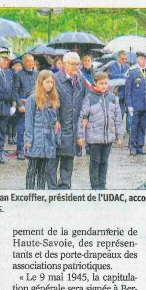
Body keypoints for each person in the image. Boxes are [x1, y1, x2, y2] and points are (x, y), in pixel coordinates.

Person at [77, 72, 124, 189]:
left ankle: (102, 185)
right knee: (94, 162)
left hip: (108, 137)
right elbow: (82, 117)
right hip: (94, 137)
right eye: (101, 83)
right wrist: (80, 135)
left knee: (104, 162)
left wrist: (119, 135)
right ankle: (95, 185)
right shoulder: (89, 98)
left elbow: (118, 117)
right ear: (95, 83)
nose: (104, 86)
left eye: (106, 83)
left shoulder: (113, 98)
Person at [48, 51, 86, 189]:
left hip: (73, 124)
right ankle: (51, 187)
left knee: (68, 157)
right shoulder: (54, 79)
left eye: (78, 64)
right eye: (74, 64)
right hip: (58, 123)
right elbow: (49, 102)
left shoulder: (81, 79)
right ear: (64, 64)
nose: (77, 67)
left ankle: (64, 185)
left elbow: (84, 101)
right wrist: (54, 120)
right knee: (53, 158)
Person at [24, 70, 60, 190]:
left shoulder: (52, 98)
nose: (50, 84)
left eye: (51, 82)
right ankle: (29, 192)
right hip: (36, 137)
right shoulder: (32, 99)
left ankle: (40, 192)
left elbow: (55, 119)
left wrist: (56, 129)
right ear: (41, 82)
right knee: (32, 168)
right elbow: (28, 120)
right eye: (47, 82)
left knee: (43, 170)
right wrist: (28, 139)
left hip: (48, 138)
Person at [125, 51, 146, 156]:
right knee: (134, 126)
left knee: (143, 127)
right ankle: (132, 147)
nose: (144, 61)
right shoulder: (132, 72)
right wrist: (129, 105)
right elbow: (128, 90)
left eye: (145, 59)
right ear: (137, 59)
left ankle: (140, 147)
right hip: (135, 104)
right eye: (142, 59)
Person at [13, 53, 39, 160]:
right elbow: (14, 91)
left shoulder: (37, 74)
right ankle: (20, 150)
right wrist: (19, 105)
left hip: (35, 104)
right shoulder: (18, 74)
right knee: (22, 129)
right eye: (28, 61)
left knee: (34, 128)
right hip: (23, 104)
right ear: (23, 62)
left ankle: (32, 150)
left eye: (32, 61)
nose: (30, 63)